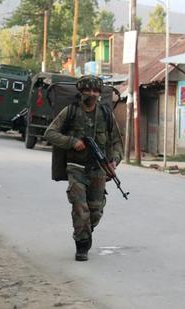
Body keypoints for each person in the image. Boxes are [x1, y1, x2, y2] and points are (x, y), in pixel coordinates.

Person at [45, 75, 123, 261]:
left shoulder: (105, 114)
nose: (92, 94)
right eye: (87, 90)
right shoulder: (70, 112)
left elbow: (117, 142)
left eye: (96, 91)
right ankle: (81, 245)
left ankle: (86, 232)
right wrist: (72, 142)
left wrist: (115, 161)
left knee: (95, 211)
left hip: (98, 169)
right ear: (80, 92)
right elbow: (50, 133)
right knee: (80, 208)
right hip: (76, 167)